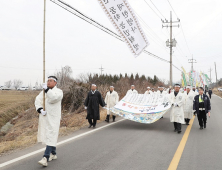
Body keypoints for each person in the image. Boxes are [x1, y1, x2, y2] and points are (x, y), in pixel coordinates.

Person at [35, 76, 63, 167]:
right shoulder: (43, 92)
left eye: (51, 81)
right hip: (45, 117)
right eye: (47, 81)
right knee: (49, 135)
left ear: (55, 83)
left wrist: (47, 90)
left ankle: (45, 157)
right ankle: (53, 153)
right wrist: (40, 109)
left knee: (51, 134)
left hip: (54, 118)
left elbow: (54, 98)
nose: (48, 82)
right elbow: (38, 100)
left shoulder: (58, 92)